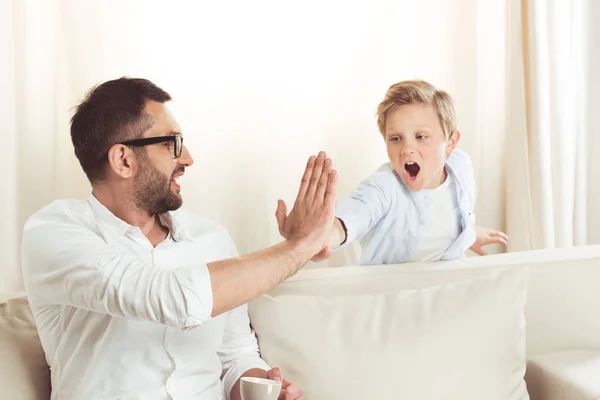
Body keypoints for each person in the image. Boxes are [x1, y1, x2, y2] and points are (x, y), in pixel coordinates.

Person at [21, 77, 336, 400]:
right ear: (123, 160)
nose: (187, 159)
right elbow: (169, 297)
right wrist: (300, 246)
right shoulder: (55, 232)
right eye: (171, 143)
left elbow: (235, 356)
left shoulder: (211, 238)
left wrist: (258, 385)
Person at [276, 80, 507, 265]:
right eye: (395, 138)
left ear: (450, 142)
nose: (407, 149)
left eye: (421, 137)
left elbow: (449, 214)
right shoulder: (384, 188)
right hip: (392, 301)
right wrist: (318, 237)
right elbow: (355, 214)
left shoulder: (461, 166)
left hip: (444, 292)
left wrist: (468, 235)